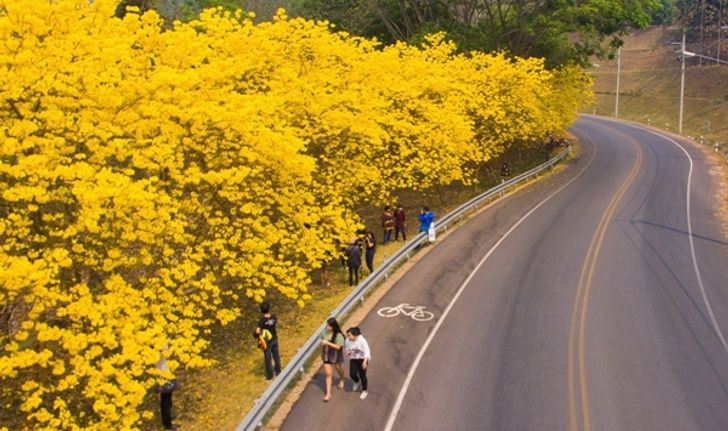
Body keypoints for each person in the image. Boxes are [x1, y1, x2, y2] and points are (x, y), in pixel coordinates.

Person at [320, 317, 346, 401]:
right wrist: (322, 346)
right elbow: (322, 342)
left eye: (329, 326)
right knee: (328, 373)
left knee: (338, 368)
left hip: (335, 354)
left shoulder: (339, 335)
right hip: (326, 354)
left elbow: (338, 347)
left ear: (333, 327)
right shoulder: (324, 333)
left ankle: (342, 379)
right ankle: (328, 394)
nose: (327, 327)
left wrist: (327, 342)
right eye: (327, 325)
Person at [255, 301, 281, 380]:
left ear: (261, 310)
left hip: (267, 342)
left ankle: (270, 375)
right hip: (275, 338)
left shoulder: (262, 320)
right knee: (276, 356)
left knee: (268, 358)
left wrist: (259, 333)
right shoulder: (273, 317)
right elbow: (275, 322)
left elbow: (257, 331)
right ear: (269, 309)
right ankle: (278, 371)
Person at [155, 344, 178, 430]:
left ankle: (167, 420)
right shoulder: (160, 346)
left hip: (163, 374)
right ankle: (167, 423)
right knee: (166, 401)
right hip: (163, 375)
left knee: (167, 400)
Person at [345, 326, 371, 400]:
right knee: (352, 374)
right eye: (347, 335)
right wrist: (347, 351)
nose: (348, 337)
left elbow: (367, 351)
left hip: (362, 360)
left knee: (362, 375)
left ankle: (364, 390)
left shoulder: (362, 341)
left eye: (349, 335)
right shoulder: (347, 340)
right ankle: (356, 381)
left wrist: (365, 362)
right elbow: (347, 347)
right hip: (353, 359)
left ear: (355, 335)